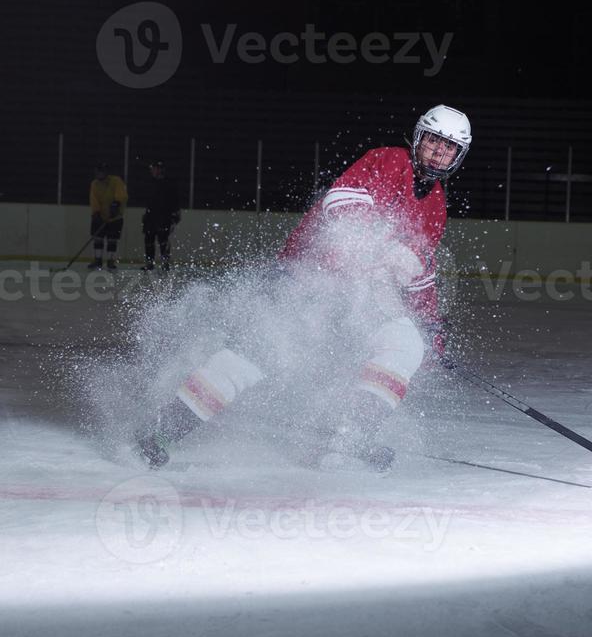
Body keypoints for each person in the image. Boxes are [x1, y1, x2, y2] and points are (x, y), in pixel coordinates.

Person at [135, 104, 472, 471]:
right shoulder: (388, 160)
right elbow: (338, 204)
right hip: (308, 277)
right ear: (419, 137)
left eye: (449, 147)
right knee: (253, 356)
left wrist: (432, 326)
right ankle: (161, 430)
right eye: (435, 141)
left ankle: (351, 438)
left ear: (458, 156)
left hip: (362, 297)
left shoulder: (436, 204)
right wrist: (382, 246)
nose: (439, 151)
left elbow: (420, 272)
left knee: (406, 344)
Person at [141, 160, 181, 271]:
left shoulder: (169, 184)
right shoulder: (150, 183)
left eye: (154, 169)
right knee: (148, 240)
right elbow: (149, 200)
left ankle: (165, 262)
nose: (152, 171)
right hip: (151, 217)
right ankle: (149, 263)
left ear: (159, 170)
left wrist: (175, 215)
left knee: (163, 240)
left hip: (164, 217)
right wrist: (146, 214)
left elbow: (175, 201)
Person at [88, 162, 128, 270]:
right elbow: (93, 199)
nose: (99, 174)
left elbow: (122, 196)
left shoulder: (116, 181)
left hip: (115, 217)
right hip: (100, 216)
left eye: (102, 172)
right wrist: (96, 213)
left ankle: (111, 261)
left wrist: (116, 205)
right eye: (98, 172)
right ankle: (98, 260)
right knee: (98, 238)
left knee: (112, 239)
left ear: (106, 172)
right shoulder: (94, 184)